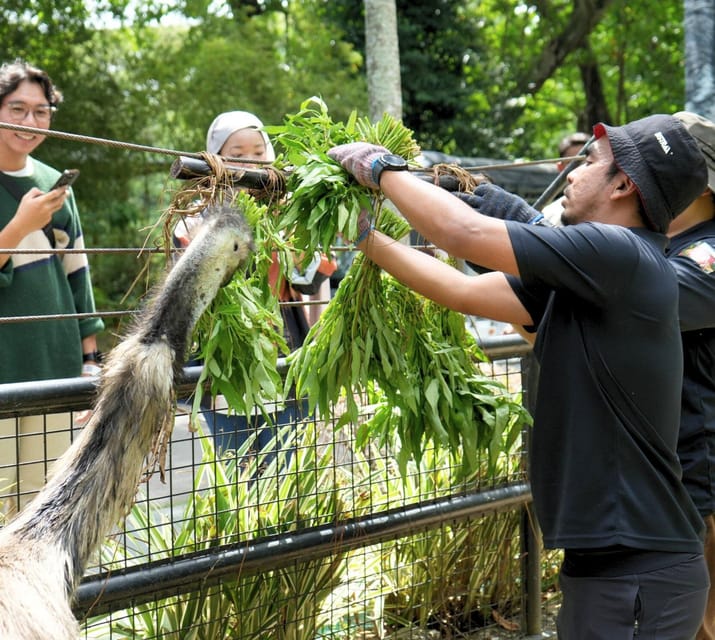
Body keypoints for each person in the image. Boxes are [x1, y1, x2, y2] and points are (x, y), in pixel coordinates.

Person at [326, 113, 709, 638]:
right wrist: (366, 237)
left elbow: (461, 233)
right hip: (612, 562)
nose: (570, 174)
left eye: (590, 163)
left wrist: (382, 169)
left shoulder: (622, 255)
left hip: (639, 567)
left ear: (624, 184)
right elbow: (460, 291)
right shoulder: (592, 275)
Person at [175, 110, 333, 455]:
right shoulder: (198, 216)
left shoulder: (288, 212)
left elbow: (316, 277)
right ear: (214, 158)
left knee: (288, 461)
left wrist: (317, 342)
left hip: (283, 338)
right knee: (234, 460)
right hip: (224, 345)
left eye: (258, 152)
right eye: (237, 153)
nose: (250, 162)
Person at [0, 59, 104, 512]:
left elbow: (77, 275)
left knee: (43, 509)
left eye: (41, 112)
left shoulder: (53, 183)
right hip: (5, 369)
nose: (30, 122)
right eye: (17, 109)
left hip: (56, 365)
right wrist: (20, 225)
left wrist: (91, 361)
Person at [668, 111, 715, 640]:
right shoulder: (666, 243)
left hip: (705, 472)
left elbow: (633, 293)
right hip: (678, 473)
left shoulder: (706, 254)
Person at [541, 130, 590, 225]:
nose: (581, 170)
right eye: (573, 164)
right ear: (560, 167)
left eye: (588, 163)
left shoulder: (619, 209)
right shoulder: (548, 215)